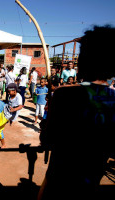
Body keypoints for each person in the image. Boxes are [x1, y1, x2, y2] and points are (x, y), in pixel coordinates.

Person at [38, 25, 115, 200]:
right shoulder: (112, 98)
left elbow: (47, 140)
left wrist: (46, 122)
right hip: (91, 182)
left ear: (85, 59)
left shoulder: (65, 94)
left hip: (59, 181)